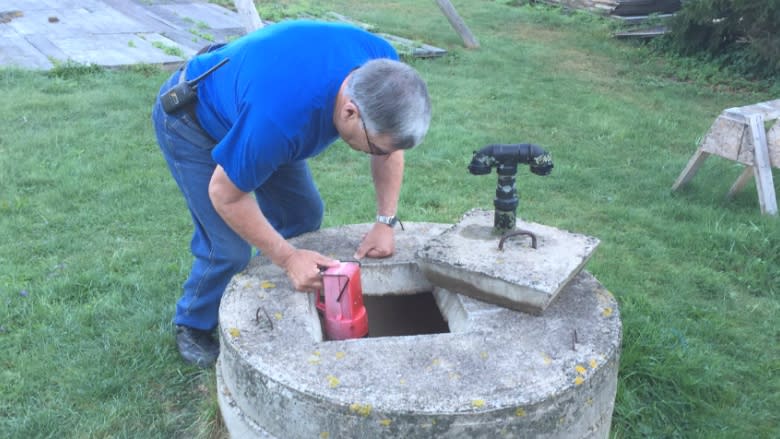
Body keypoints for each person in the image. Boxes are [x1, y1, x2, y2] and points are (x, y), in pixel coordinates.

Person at [151, 20, 432, 368]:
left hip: (257, 108)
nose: (378, 155)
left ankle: (278, 286)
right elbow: (225, 194)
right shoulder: (279, 120)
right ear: (349, 112)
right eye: (373, 148)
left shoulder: (383, 70)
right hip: (193, 120)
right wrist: (287, 257)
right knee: (227, 247)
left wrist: (385, 222)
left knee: (302, 215)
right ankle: (192, 323)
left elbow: (390, 147)